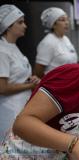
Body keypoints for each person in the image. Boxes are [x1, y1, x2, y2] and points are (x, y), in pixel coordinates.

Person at [0, 4, 40, 140]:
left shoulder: (14, 47)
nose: (25, 26)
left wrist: (31, 79)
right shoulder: (2, 51)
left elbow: (17, 77)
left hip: (22, 108)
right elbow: (2, 88)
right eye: (20, 22)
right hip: (9, 112)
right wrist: (30, 85)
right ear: (8, 26)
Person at [33, 7, 78, 78]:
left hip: (69, 82)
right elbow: (38, 72)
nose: (66, 23)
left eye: (67, 19)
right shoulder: (48, 42)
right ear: (53, 24)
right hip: (55, 85)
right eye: (62, 20)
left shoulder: (65, 39)